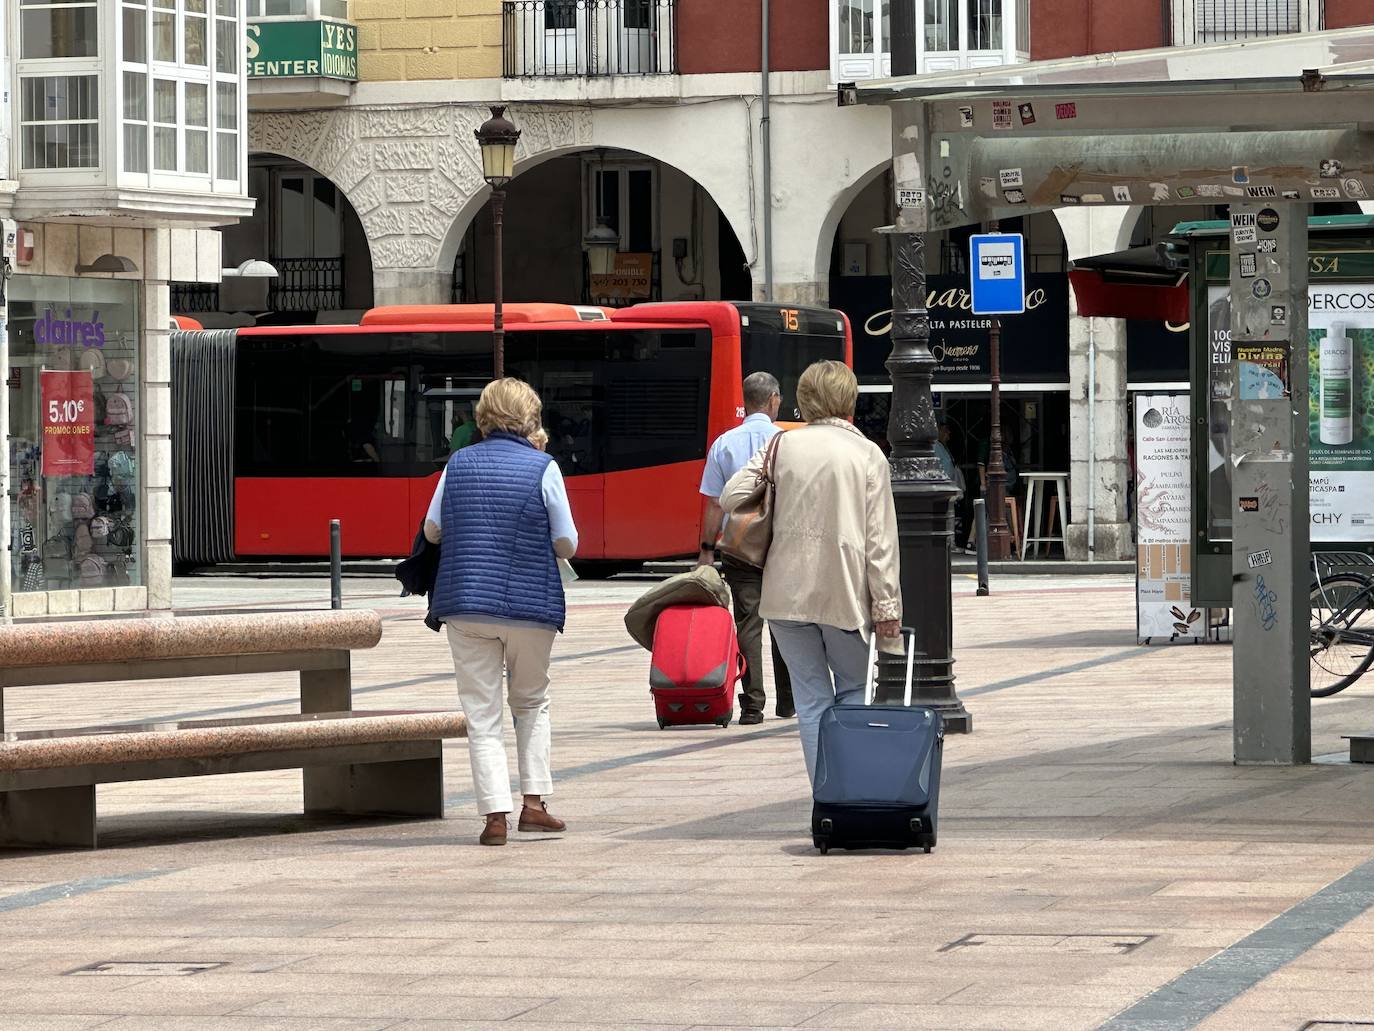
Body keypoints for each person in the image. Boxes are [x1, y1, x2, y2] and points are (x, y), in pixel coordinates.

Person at [721, 360, 901, 784]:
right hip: (843, 591)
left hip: (784, 593)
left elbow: (732, 496)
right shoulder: (867, 454)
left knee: (811, 698)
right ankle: (853, 790)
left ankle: (825, 792)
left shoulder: (782, 445)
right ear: (849, 399)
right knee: (855, 689)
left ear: (805, 400)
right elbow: (880, 542)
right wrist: (888, 606)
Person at [424, 378, 578, 847]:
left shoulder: (457, 465)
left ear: (484, 416)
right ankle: (534, 805)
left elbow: (433, 531)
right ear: (530, 416)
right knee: (531, 703)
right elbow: (567, 542)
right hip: (532, 607)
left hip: (467, 605)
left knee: (482, 713)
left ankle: (494, 816)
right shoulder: (544, 467)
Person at [698, 371, 794, 725]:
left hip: (738, 547)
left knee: (748, 624)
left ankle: (752, 705)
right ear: (772, 400)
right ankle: (789, 700)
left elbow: (713, 504)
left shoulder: (724, 444)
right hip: (780, 545)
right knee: (785, 621)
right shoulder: (787, 441)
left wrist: (707, 550)